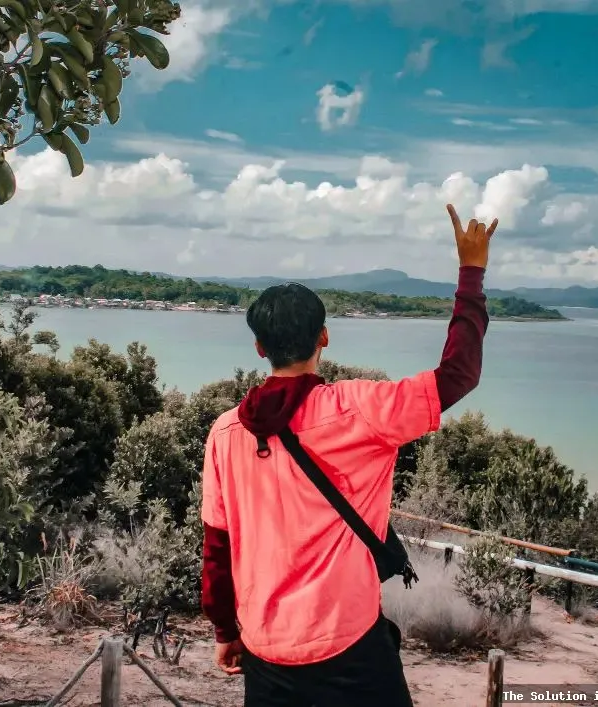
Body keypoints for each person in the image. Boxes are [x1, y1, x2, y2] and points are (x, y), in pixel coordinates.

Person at [199, 204, 498, 706]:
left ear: (258, 348)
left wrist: (225, 631)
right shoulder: (361, 411)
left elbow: (217, 549)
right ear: (324, 337)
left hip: (267, 650)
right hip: (349, 646)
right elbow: (458, 374)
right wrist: (471, 273)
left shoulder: (226, 432)